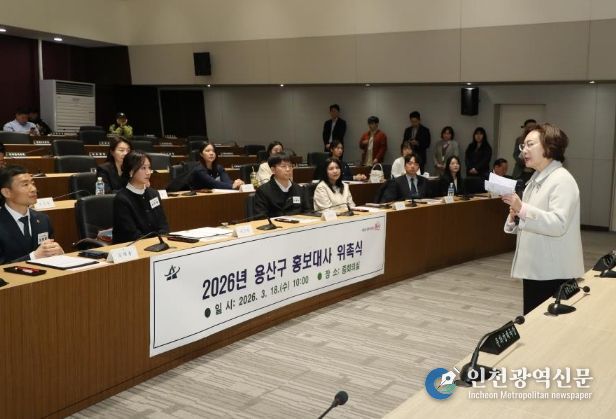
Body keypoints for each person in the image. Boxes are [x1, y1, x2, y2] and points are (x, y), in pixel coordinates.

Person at [502, 123, 584, 315]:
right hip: (537, 268)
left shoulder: (562, 179)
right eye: (523, 146)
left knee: (547, 326)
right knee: (533, 322)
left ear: (549, 146)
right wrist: (515, 216)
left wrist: (522, 208)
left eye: (530, 144)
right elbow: (532, 219)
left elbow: (558, 224)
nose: (524, 150)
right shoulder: (536, 179)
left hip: (553, 272)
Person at [0, 165, 64, 264]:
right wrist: (33, 256)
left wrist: (59, 253)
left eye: (33, 183)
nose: (33, 189)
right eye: (25, 185)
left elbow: (49, 253)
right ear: (6, 192)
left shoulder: (43, 219)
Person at [112, 152, 169, 244]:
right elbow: (131, 234)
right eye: (143, 168)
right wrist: (153, 242)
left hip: (156, 244)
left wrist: (162, 239)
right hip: (131, 246)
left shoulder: (153, 194)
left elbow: (163, 225)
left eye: (149, 167)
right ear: (131, 171)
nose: (148, 172)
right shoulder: (122, 199)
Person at [254, 153, 310, 217]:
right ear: (273, 170)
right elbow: (260, 217)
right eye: (283, 166)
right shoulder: (263, 191)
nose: (288, 169)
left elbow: (308, 213)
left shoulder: (300, 189)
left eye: (290, 166)